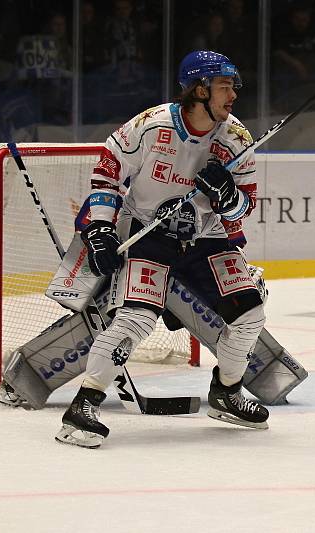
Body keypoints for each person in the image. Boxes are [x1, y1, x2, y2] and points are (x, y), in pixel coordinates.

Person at [56, 51, 268, 448]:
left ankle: (228, 391)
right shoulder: (151, 126)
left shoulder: (236, 138)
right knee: (135, 318)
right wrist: (100, 227)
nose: (233, 96)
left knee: (250, 310)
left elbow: (246, 204)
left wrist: (226, 196)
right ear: (199, 90)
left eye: (233, 88)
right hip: (148, 233)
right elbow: (108, 172)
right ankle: (84, 405)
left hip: (206, 235)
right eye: (225, 87)